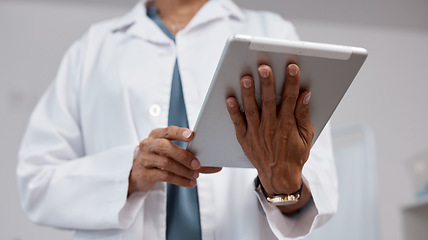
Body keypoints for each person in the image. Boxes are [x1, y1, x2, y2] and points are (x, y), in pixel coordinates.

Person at [16, 0, 338, 239]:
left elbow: (317, 193)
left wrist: (282, 185)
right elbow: (36, 181)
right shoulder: (93, 49)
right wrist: (128, 175)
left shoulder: (273, 32)